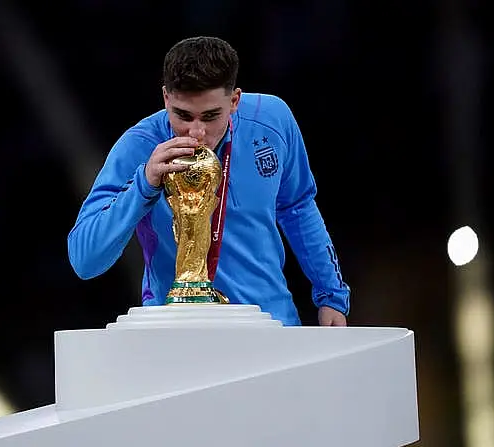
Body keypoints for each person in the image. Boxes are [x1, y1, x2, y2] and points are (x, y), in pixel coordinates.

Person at [67, 36, 350, 326]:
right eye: (183, 115)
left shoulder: (271, 121)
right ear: (166, 98)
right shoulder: (139, 147)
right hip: (180, 335)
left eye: (211, 116)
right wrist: (145, 183)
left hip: (270, 325)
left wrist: (332, 295)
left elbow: (298, 207)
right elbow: (84, 260)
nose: (197, 132)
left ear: (235, 100)